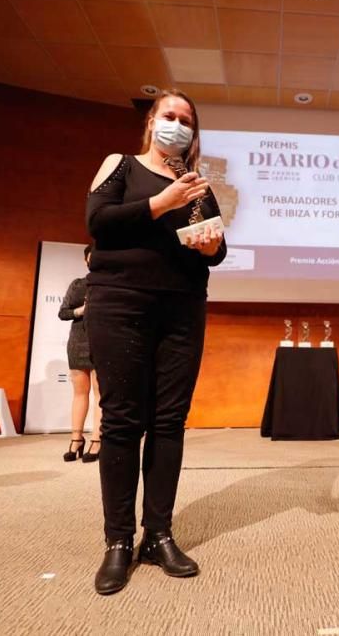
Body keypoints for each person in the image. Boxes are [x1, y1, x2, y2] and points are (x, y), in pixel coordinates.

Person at [85, 88, 226, 595]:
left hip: (183, 308)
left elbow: (217, 249)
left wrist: (211, 245)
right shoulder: (119, 165)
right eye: (170, 116)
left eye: (187, 120)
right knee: (123, 421)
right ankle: (118, 541)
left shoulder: (197, 185)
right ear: (151, 123)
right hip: (120, 303)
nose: (178, 126)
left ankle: (159, 533)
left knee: (169, 422)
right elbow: (98, 222)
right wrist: (160, 203)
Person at [57, 244, 101, 463]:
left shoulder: (110, 284)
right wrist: (81, 310)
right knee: (79, 391)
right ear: (86, 260)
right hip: (78, 341)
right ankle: (76, 439)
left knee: (99, 393)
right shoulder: (77, 285)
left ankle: (97, 439)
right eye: (91, 257)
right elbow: (63, 312)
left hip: (102, 340)